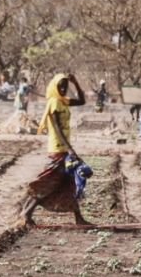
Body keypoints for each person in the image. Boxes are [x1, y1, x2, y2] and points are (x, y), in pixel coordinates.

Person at [18, 73, 90, 227]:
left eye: (65, 86)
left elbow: (82, 101)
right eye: (60, 86)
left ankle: (78, 217)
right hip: (58, 148)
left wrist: (76, 82)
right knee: (49, 183)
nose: (63, 88)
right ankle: (26, 213)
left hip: (64, 148)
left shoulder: (63, 101)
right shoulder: (54, 102)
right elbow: (57, 128)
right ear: (54, 87)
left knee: (69, 183)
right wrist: (70, 149)